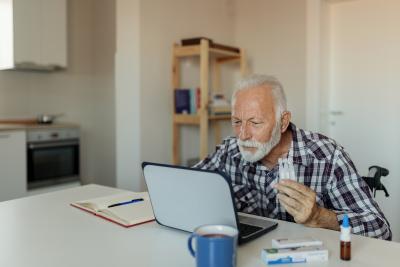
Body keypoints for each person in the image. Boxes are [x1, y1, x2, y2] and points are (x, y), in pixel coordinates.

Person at [195, 74, 392, 240]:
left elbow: (380, 228)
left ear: (283, 122)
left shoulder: (327, 156)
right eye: (237, 121)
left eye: (255, 123)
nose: (243, 135)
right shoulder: (231, 150)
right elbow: (188, 183)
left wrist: (319, 216)